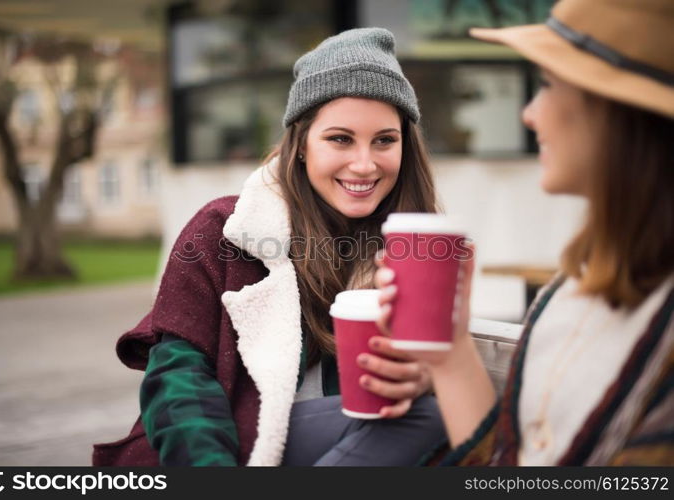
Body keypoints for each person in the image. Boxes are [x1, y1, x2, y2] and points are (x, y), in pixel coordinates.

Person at [92, 27, 447, 466]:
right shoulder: (225, 228)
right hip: (229, 445)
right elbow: (178, 379)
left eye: (384, 140)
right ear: (301, 146)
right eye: (340, 138)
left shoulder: (417, 247)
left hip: (349, 442)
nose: (364, 163)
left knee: (428, 417)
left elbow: (435, 372)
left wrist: (419, 377)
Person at [375, 0, 674, 466]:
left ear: (620, 115)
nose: (529, 115)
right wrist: (451, 350)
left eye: (549, 86)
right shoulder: (575, 281)